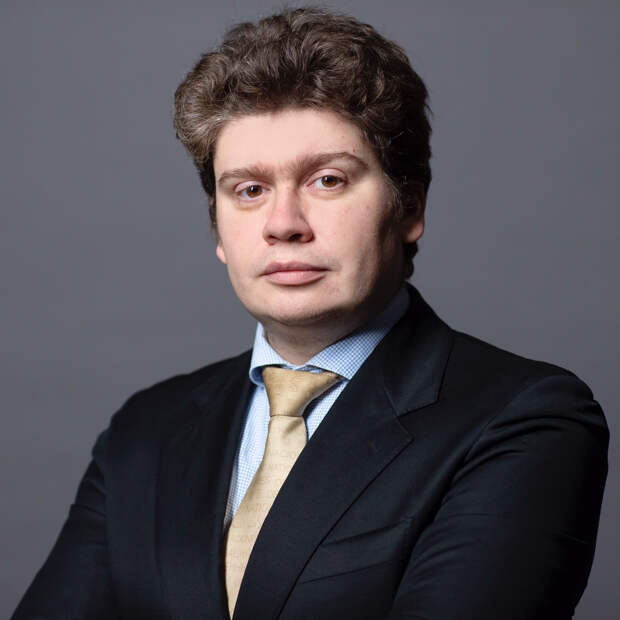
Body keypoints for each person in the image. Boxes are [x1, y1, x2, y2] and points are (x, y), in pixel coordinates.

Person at [12, 7, 608, 620]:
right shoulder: (145, 433)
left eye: (327, 180)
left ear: (409, 207)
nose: (283, 225)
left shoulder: (525, 419)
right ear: (218, 228)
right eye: (249, 190)